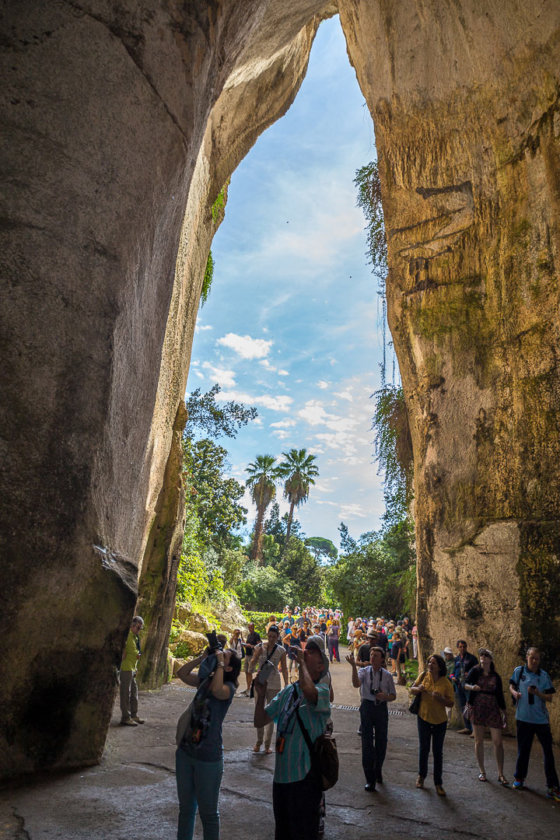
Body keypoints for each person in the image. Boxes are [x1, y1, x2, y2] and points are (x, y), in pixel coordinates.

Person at [254, 636, 331, 839]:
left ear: (321, 665)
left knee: (303, 833)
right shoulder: (288, 691)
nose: (307, 652)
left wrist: (301, 663)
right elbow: (260, 720)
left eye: (313, 652)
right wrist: (261, 695)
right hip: (281, 778)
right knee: (283, 833)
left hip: (304, 778)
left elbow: (308, 690)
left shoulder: (322, 691)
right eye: (308, 650)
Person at [175, 645, 241, 840]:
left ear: (228, 668)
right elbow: (182, 673)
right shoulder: (205, 680)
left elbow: (218, 690)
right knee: (186, 809)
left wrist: (219, 663)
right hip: (186, 752)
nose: (220, 656)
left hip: (208, 758)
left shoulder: (229, 688)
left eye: (225, 657)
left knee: (209, 814)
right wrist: (202, 658)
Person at [509, 647, 560, 800]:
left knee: (548, 753)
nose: (534, 660)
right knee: (523, 750)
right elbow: (511, 685)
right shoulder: (519, 671)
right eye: (532, 657)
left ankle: (553, 787)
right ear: (527, 657)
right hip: (523, 718)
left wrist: (537, 693)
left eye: (537, 658)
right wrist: (515, 693)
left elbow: (550, 698)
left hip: (540, 720)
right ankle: (519, 779)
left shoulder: (543, 676)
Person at [346, 645, 396, 791]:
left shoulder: (387, 675)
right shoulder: (363, 671)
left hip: (381, 708)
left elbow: (393, 695)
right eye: (371, 655)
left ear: (382, 659)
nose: (372, 657)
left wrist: (384, 696)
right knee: (367, 742)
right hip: (367, 706)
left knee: (381, 741)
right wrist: (353, 667)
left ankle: (378, 769)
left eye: (375, 655)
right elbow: (356, 684)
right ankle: (370, 778)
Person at [411, 653, 454, 795]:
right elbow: (412, 689)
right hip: (423, 718)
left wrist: (441, 699)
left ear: (439, 667)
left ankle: (438, 783)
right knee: (424, 749)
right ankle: (421, 776)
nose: (430, 665)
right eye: (429, 662)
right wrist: (419, 689)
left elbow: (451, 703)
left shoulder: (446, 683)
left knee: (437, 752)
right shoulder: (424, 676)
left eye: (433, 663)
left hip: (440, 721)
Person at [464, 648, 508, 785]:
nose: (483, 657)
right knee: (479, 740)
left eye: (486, 655)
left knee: (498, 742)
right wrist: (473, 688)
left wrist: (504, 712)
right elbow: (464, 684)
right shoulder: (475, 671)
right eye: (481, 655)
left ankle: (501, 773)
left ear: (490, 659)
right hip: (477, 707)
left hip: (492, 707)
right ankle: (482, 771)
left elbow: (500, 694)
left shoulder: (496, 676)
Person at [250, 625, 289, 753]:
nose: (271, 639)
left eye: (274, 636)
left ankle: (267, 745)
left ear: (278, 637)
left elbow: (284, 667)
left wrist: (287, 684)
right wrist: (256, 658)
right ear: (267, 636)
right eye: (270, 636)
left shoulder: (281, 650)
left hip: (274, 683)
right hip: (261, 683)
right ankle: (258, 742)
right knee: (258, 711)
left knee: (271, 714)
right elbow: (251, 665)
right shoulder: (259, 647)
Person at [119, 615, 144, 726]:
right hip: (126, 668)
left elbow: (135, 653)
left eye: (140, 628)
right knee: (125, 693)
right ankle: (125, 717)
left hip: (132, 668)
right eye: (138, 628)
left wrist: (136, 667)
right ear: (132, 626)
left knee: (134, 692)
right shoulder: (128, 636)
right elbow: (128, 652)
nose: (139, 630)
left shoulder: (135, 637)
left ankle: (133, 715)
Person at [452, 640, 478, 734]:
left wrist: (469, 674)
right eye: (460, 647)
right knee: (463, 707)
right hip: (459, 686)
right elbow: (452, 672)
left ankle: (474, 730)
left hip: (468, 686)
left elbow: (477, 670)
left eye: (464, 647)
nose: (462, 648)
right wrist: (453, 677)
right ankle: (467, 727)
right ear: (458, 648)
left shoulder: (472, 658)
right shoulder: (457, 659)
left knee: (470, 707)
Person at [240, 622, 261, 696]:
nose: (250, 629)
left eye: (251, 627)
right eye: (249, 627)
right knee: (246, 672)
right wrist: (245, 645)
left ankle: (251, 689)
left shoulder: (256, 635)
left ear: (253, 627)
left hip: (253, 655)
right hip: (247, 655)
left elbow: (259, 646)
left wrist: (251, 646)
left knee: (250, 672)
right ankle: (248, 688)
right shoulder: (249, 635)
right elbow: (247, 644)